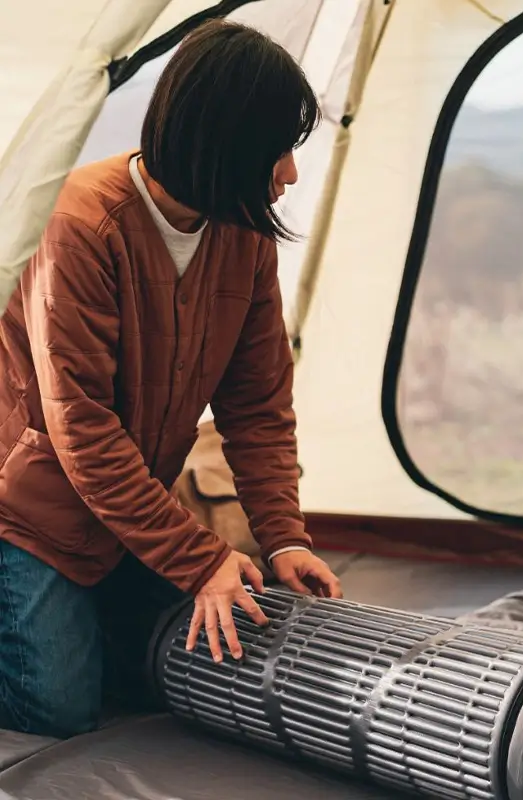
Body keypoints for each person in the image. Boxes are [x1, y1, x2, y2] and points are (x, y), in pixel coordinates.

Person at [0, 19, 342, 740]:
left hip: (134, 512)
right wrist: (197, 560)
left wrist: (281, 540)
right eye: (278, 150)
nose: (290, 174)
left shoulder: (242, 233)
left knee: (205, 648)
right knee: (60, 709)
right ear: (222, 144)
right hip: (27, 515)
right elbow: (81, 431)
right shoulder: (80, 227)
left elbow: (258, 406)